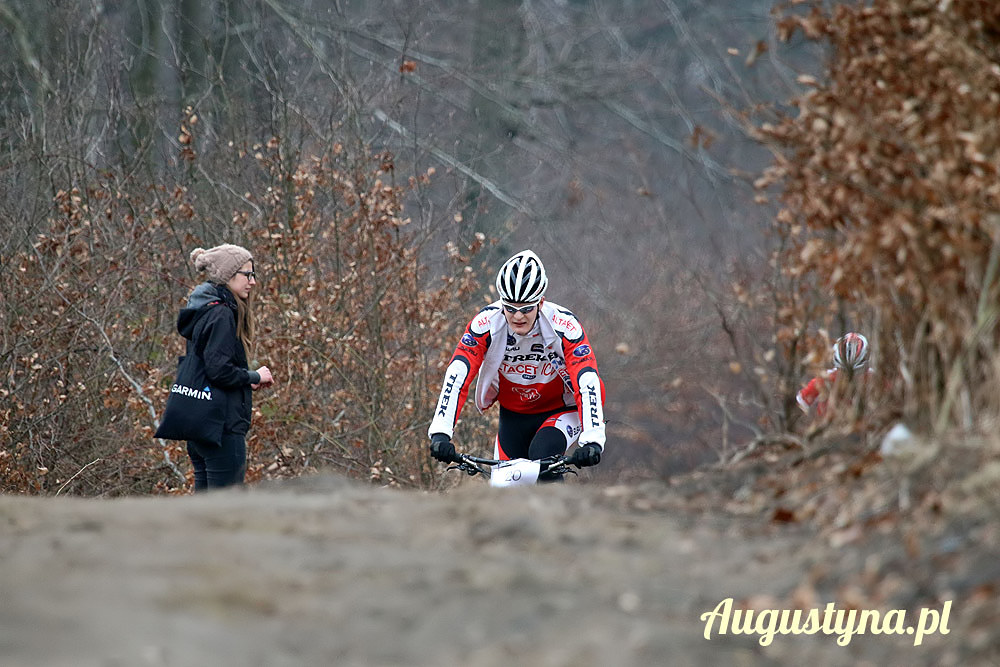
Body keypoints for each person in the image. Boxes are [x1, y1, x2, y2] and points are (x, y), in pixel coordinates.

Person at [427, 249, 606, 479]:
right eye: (510, 308)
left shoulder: (564, 326)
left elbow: (587, 379)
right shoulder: (487, 323)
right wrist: (441, 433)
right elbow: (458, 372)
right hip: (513, 416)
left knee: (542, 456)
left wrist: (592, 439)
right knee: (505, 494)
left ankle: (559, 515)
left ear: (540, 302)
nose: (517, 316)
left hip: (562, 410)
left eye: (526, 309)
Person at [178, 244, 273, 491]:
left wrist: (245, 379)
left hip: (200, 426)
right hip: (222, 429)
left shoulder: (204, 309)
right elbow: (218, 370)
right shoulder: (221, 314)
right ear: (227, 275)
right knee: (225, 512)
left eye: (253, 274)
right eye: (247, 274)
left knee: (204, 512)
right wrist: (254, 375)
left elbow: (212, 365)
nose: (252, 282)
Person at [796, 332, 871, 418]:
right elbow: (797, 408)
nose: (848, 378)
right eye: (843, 371)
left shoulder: (874, 380)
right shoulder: (824, 380)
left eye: (856, 372)